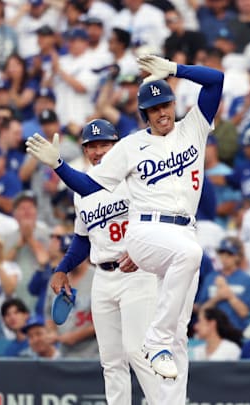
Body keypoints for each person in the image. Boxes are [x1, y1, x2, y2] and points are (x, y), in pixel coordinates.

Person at [26, 54, 222, 393]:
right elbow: (87, 194)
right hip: (147, 233)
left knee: (179, 330)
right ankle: (157, 341)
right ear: (144, 115)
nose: (162, 112)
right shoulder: (132, 148)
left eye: (166, 105)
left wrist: (177, 70)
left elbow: (216, 79)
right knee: (117, 358)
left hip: (177, 233)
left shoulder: (193, 126)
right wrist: (58, 164)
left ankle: (170, 395)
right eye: (154, 108)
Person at [49, 119, 160, 404]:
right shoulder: (80, 189)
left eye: (104, 145)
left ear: (117, 145)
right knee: (111, 361)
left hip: (137, 272)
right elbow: (83, 238)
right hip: (103, 276)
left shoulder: (132, 177)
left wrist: (141, 250)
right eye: (91, 146)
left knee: (138, 351)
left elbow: (157, 221)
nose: (98, 152)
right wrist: (62, 268)